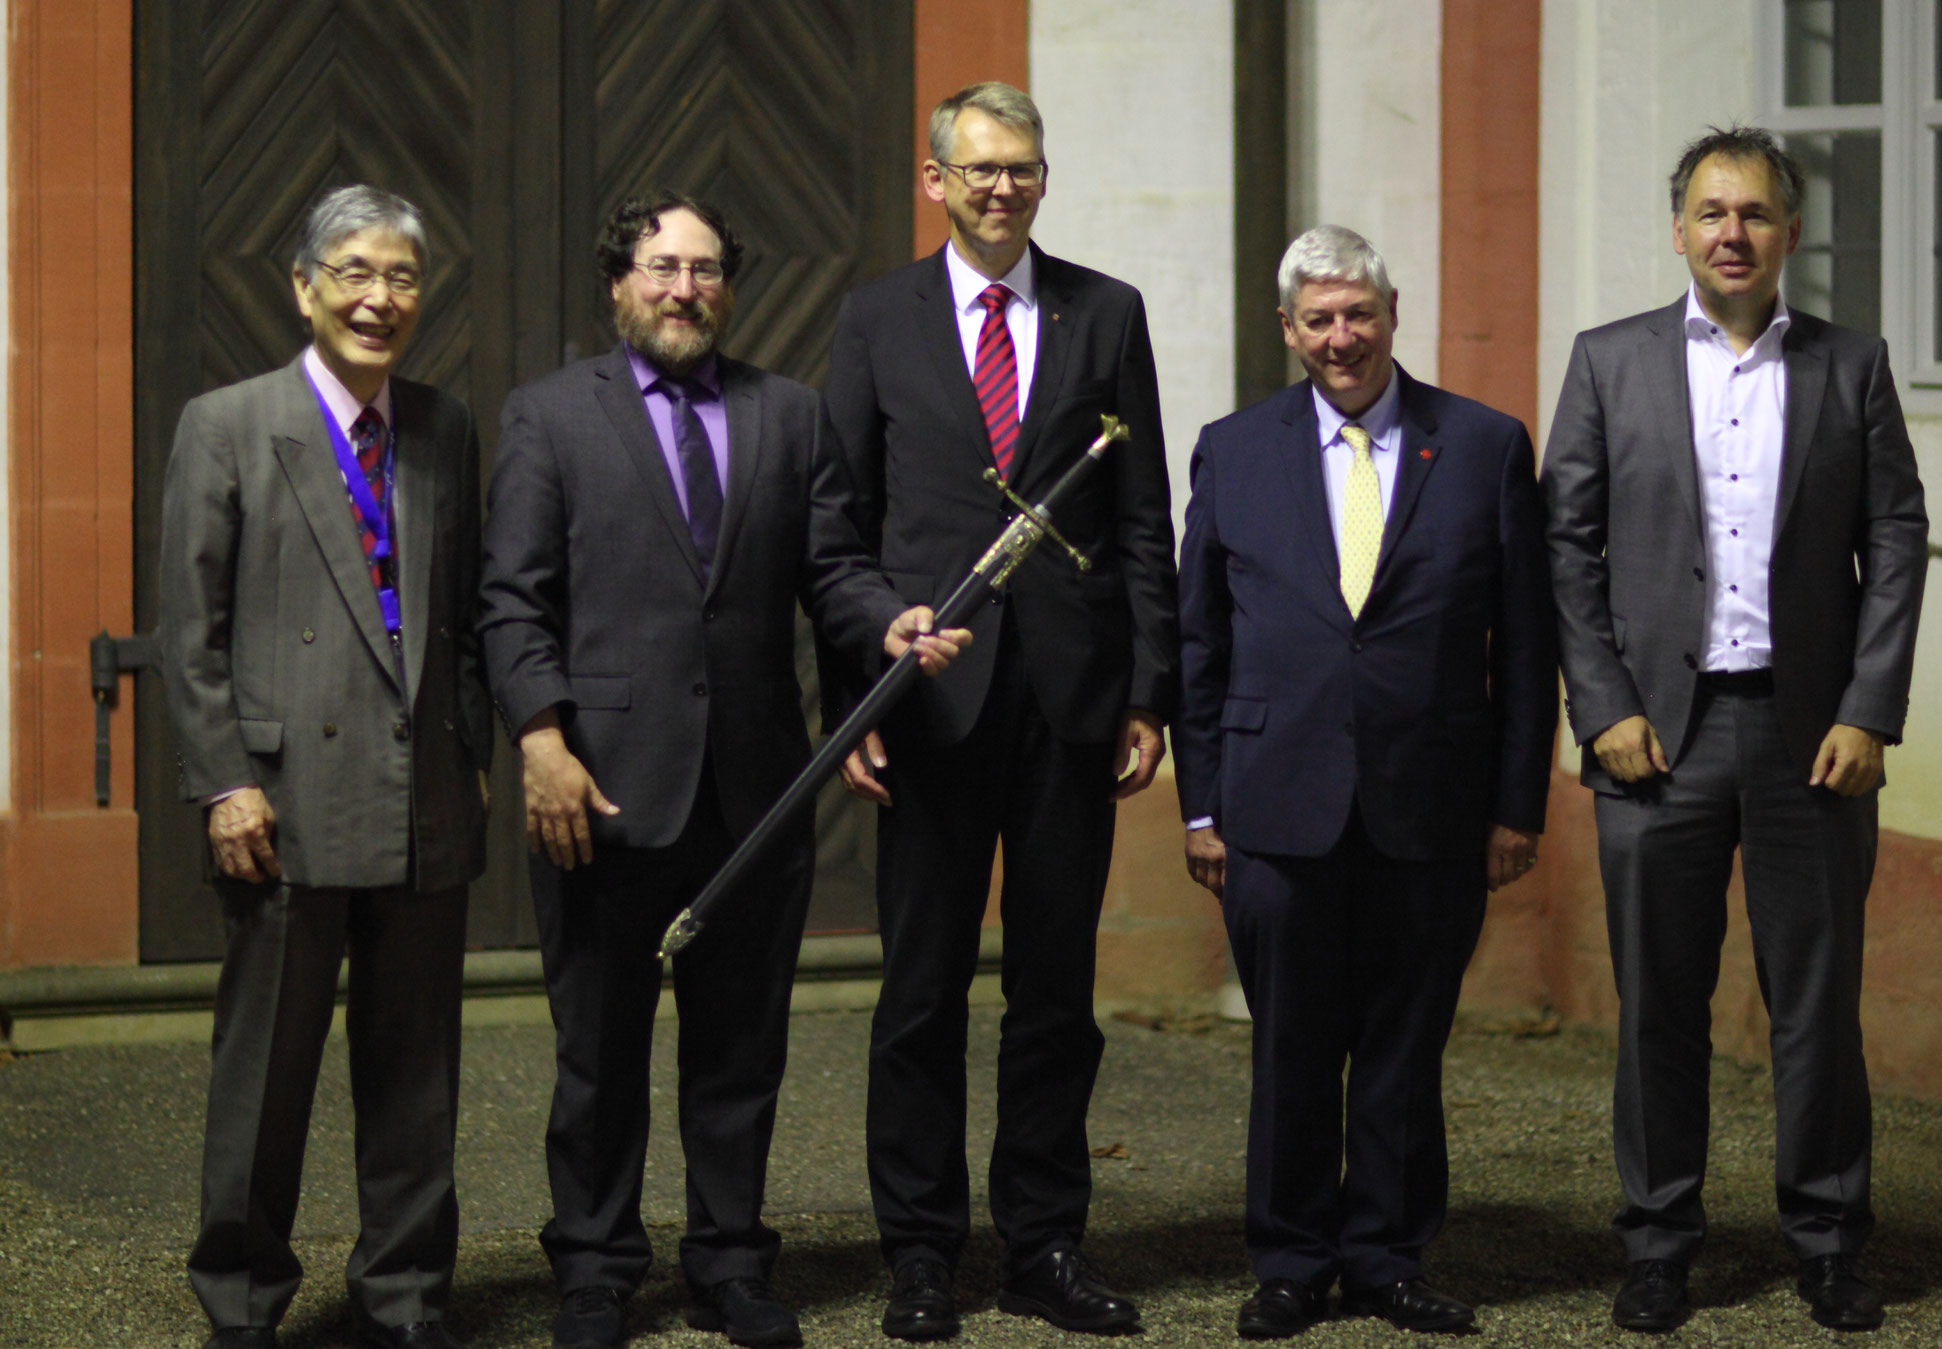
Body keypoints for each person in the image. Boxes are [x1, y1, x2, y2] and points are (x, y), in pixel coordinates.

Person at [478, 190, 967, 1349]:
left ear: (726, 286)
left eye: (702, 269)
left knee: (739, 1048)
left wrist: (882, 626)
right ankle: (594, 1267)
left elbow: (833, 565)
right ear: (618, 282)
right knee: (597, 1048)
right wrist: (540, 739)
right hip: (597, 788)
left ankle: (730, 1261)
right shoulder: (549, 417)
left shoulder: (788, 415)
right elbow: (511, 600)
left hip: (757, 792)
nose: (683, 288)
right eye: (660, 266)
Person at [1543, 126, 1929, 1334]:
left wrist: (1868, 705)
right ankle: (1658, 1241)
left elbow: (1896, 539)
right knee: (1660, 1000)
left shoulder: (1847, 367)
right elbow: (1564, 544)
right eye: (1709, 213)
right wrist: (1599, 704)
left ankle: (1824, 1238)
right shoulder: (1607, 363)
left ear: (1789, 234)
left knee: (1814, 1001)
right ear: (1676, 230)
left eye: (1754, 214)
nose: (1730, 234)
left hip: (1808, 738)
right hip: (1654, 738)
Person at [824, 80, 1178, 1340]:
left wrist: (1150, 689)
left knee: (1053, 992)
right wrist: (863, 674)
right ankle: (921, 1250)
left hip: (1071, 703)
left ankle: (1043, 1243)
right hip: (929, 702)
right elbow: (838, 529)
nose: (1001, 188)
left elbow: (1142, 517)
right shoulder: (874, 321)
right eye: (977, 170)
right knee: (919, 991)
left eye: (1021, 169)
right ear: (935, 181)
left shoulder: (1105, 312)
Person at [1175, 226, 1556, 1339]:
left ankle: (1386, 1257)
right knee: (1290, 1041)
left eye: (1359, 314)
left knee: (1401, 1042)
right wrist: (1199, 804)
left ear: (1392, 315)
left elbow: (1524, 647)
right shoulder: (1231, 449)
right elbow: (1197, 641)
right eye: (1318, 319)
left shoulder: (1481, 445)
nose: (1341, 337)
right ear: (1287, 331)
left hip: (1430, 801)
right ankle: (1290, 1258)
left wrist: (1513, 804)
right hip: (1270, 802)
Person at [159, 185, 489, 1349]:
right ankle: (243, 1303)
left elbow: (460, 619)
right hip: (281, 804)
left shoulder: (445, 426)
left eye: (399, 275)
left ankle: (404, 1298)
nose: (377, 297)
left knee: (415, 1081)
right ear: (303, 286)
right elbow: (187, 630)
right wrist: (222, 780)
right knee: (266, 1081)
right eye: (352, 272)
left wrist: (475, 758)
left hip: (424, 804)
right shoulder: (228, 423)